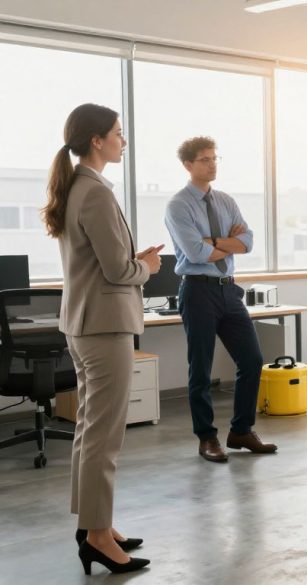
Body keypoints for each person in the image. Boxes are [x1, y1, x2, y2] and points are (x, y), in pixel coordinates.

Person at [45, 103, 159, 574]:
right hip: (104, 325)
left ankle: (95, 524)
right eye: (117, 133)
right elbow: (117, 270)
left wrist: (132, 258)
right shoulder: (93, 192)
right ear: (97, 140)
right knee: (104, 437)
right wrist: (147, 267)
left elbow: (100, 261)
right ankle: (96, 535)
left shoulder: (77, 188)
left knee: (90, 431)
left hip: (84, 323)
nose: (123, 140)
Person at [165, 136, 277, 463]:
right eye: (204, 159)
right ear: (188, 165)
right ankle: (207, 438)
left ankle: (241, 430)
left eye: (215, 158)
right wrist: (228, 242)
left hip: (229, 290)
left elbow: (248, 242)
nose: (212, 164)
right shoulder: (178, 205)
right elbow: (195, 252)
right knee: (200, 368)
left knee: (252, 359)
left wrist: (215, 240)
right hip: (198, 290)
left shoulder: (226, 201)